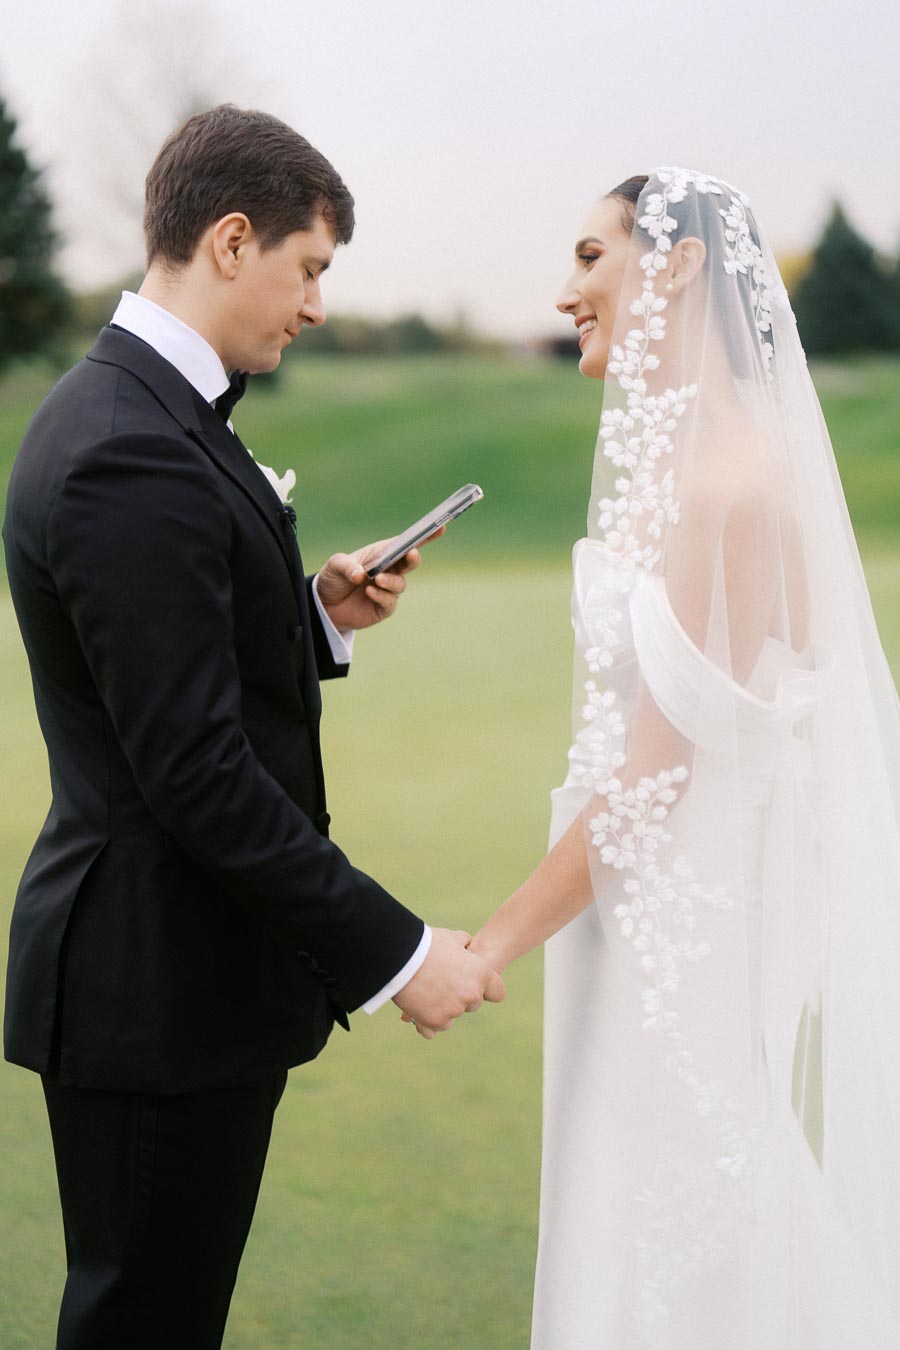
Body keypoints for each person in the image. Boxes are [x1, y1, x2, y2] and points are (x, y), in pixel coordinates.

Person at [2, 104, 504, 1350]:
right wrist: (397, 954)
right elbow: (194, 774)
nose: (319, 304)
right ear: (233, 241)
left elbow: (170, 673)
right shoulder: (129, 445)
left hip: (185, 980)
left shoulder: (153, 413)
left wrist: (314, 618)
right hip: (153, 980)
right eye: (312, 266)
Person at [468, 170, 900, 1347]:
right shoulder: (702, 467)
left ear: (681, 267)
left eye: (591, 257)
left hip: (675, 920)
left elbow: (658, 779)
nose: (567, 291)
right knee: (656, 1183)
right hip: (643, 906)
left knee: (681, 1197)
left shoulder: (731, 484)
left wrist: (491, 940)